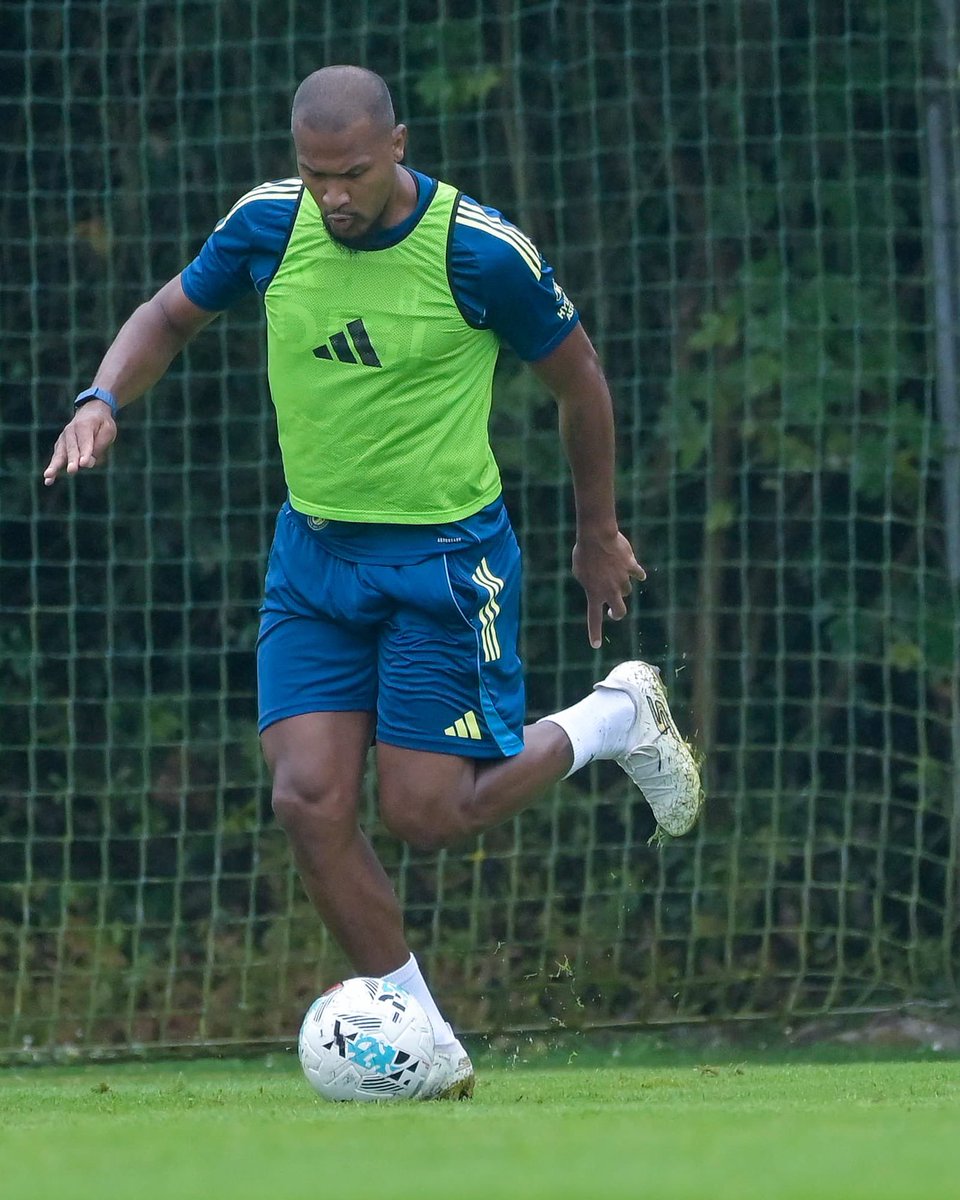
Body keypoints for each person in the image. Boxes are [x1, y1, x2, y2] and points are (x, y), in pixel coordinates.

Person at [43, 65, 703, 1099]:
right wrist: (101, 398)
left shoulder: (481, 252)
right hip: (313, 559)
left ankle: (616, 716)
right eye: (315, 177)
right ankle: (427, 1041)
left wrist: (597, 531)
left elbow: (580, 383)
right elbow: (167, 315)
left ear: (399, 143)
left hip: (445, 564)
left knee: (427, 815)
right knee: (307, 799)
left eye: (350, 173)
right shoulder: (269, 224)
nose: (334, 197)